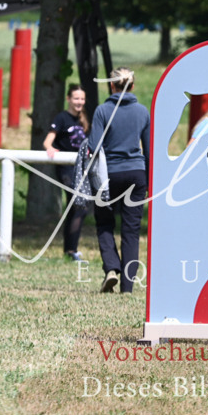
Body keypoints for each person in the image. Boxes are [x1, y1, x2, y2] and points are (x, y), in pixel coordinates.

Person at [87, 67, 151, 294]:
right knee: (131, 231)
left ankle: (111, 268)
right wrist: (149, 181)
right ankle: (127, 287)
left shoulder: (102, 111)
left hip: (108, 175)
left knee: (105, 223)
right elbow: (149, 150)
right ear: (132, 86)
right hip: (136, 174)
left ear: (111, 85)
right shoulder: (143, 112)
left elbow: (93, 147)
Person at [44, 84, 91, 261]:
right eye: (76, 98)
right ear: (69, 99)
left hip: (81, 170)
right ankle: (71, 251)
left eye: (82, 99)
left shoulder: (84, 119)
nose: (79, 102)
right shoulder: (62, 118)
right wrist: (50, 148)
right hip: (65, 170)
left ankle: (69, 251)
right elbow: (48, 141)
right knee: (79, 205)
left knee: (76, 208)